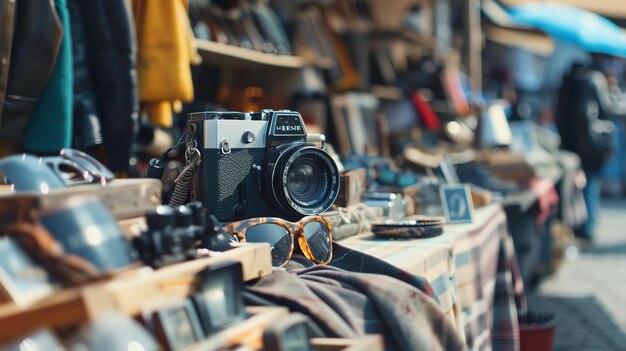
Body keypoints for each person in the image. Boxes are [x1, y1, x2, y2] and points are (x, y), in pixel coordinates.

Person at [555, 55, 625, 243]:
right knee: (590, 184)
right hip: (590, 144)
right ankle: (587, 227)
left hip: (572, 143)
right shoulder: (594, 80)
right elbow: (606, 109)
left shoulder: (568, 82)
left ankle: (581, 226)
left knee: (581, 184)